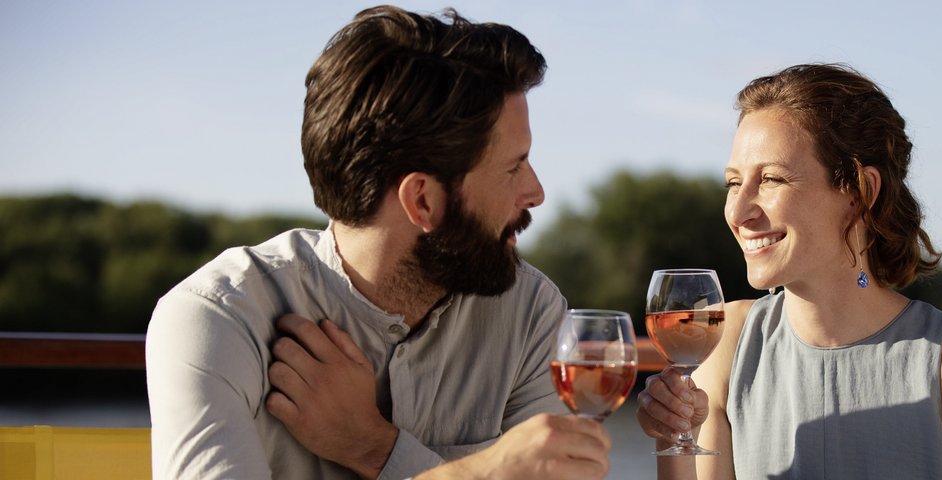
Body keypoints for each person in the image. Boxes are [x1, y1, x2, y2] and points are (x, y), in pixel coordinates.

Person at [146, 5, 610, 479]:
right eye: (514, 167)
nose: (536, 192)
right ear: (423, 201)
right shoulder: (217, 319)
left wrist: (374, 448)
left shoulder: (530, 313)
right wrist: (478, 472)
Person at [636, 64, 942, 479]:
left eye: (771, 179)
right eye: (734, 183)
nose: (738, 212)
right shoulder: (727, 346)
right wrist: (672, 438)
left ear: (860, 191)